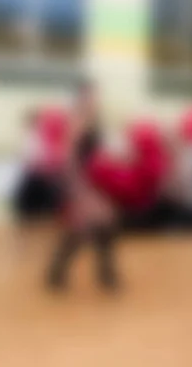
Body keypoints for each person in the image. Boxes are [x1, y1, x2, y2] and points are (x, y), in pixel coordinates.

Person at [46, 81, 119, 292]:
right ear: (82, 98)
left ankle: (60, 273)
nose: (96, 100)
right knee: (95, 223)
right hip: (78, 182)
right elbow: (68, 157)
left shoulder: (92, 121)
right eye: (92, 96)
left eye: (96, 96)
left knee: (95, 224)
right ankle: (104, 275)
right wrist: (78, 190)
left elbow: (94, 154)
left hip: (91, 181)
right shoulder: (77, 122)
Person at [11, 109, 66, 240]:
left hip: (42, 178)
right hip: (35, 177)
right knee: (28, 209)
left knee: (43, 209)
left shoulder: (42, 137)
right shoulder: (31, 138)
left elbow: (45, 159)